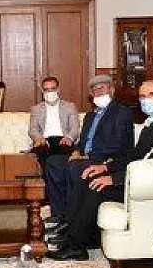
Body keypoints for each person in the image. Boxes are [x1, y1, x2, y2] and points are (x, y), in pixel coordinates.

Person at [48, 85, 153, 261]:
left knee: (95, 188)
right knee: (88, 177)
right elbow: (134, 156)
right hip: (136, 177)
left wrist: (114, 179)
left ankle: (75, 246)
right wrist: (105, 168)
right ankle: (82, 237)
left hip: (148, 186)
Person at [43, 74, 133, 232]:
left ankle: (70, 223)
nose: (98, 92)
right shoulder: (90, 115)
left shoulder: (121, 112)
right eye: (94, 90)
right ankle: (59, 215)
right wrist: (77, 151)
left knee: (75, 168)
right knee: (54, 162)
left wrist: (88, 156)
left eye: (101, 88)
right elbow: (83, 142)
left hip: (106, 160)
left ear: (111, 90)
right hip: (85, 157)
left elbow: (118, 145)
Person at [27, 75, 80, 164]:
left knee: (64, 154)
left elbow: (75, 127)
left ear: (58, 89)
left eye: (52, 89)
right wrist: (39, 138)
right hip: (44, 141)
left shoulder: (70, 106)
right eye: (46, 90)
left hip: (63, 140)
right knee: (41, 151)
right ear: (42, 91)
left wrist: (69, 137)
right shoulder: (36, 109)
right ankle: (48, 173)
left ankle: (55, 173)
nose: (50, 92)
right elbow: (32, 129)